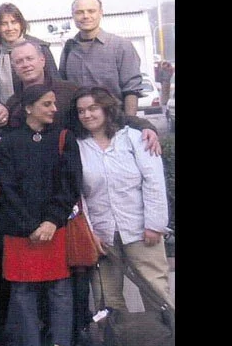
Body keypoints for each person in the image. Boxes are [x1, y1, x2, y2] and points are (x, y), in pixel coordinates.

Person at [8, 40, 161, 346]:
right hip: (92, 225)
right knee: (103, 293)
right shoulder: (23, 108)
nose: (87, 114)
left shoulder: (76, 95)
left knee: (152, 290)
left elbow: (152, 180)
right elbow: (78, 190)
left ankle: (164, 342)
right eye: (18, 61)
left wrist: (147, 126)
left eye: (30, 58)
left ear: (42, 59)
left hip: (120, 223)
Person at [0, 84, 82, 346]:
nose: (54, 109)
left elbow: (71, 184)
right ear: (29, 108)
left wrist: (51, 221)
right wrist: (31, 225)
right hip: (20, 230)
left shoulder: (64, 138)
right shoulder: (9, 142)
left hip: (55, 227)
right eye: (47, 104)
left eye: (54, 103)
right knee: (23, 292)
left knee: (60, 291)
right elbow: (7, 188)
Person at [71, 87, 173, 315]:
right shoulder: (77, 147)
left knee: (157, 292)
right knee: (107, 298)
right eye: (81, 111)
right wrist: (89, 233)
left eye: (93, 108)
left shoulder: (134, 138)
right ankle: (116, 338)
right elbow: (79, 195)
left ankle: (166, 335)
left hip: (141, 230)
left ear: (106, 109)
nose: (86, 115)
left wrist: (155, 225)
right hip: (102, 234)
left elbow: (154, 182)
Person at [59, 0, 143, 117]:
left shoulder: (121, 46)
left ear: (101, 13)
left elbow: (131, 89)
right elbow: (63, 88)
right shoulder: (69, 48)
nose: (85, 16)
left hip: (114, 121)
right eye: (79, 12)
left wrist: (129, 122)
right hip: (78, 122)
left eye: (91, 11)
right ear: (73, 15)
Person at [0, 3, 59, 105]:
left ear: (21, 24)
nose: (10, 28)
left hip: (40, 105)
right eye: (4, 24)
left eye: (14, 22)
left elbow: (55, 81)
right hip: (13, 107)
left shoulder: (40, 47)